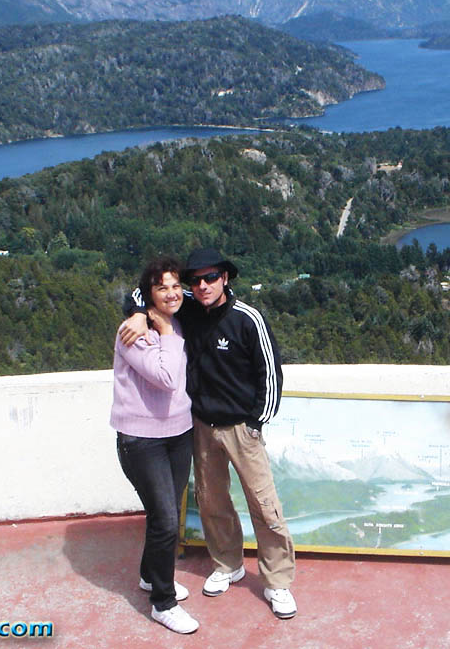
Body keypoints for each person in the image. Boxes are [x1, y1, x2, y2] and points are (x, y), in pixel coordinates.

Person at [121, 247, 297, 619]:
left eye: (210, 277)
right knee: (213, 502)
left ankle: (277, 582)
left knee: (264, 505)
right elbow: (143, 291)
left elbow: (271, 374)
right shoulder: (187, 305)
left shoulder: (247, 319)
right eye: (196, 279)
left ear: (225, 278)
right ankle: (227, 564)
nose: (202, 285)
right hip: (200, 426)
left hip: (240, 429)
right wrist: (138, 314)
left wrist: (255, 423)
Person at [110, 256, 198, 635]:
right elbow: (164, 376)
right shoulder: (134, 333)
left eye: (176, 285)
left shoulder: (174, 317)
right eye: (162, 287)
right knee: (164, 520)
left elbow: (213, 294)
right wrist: (151, 323)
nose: (172, 293)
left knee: (164, 515)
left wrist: (149, 315)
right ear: (148, 294)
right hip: (141, 441)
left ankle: (150, 575)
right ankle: (163, 603)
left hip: (178, 434)